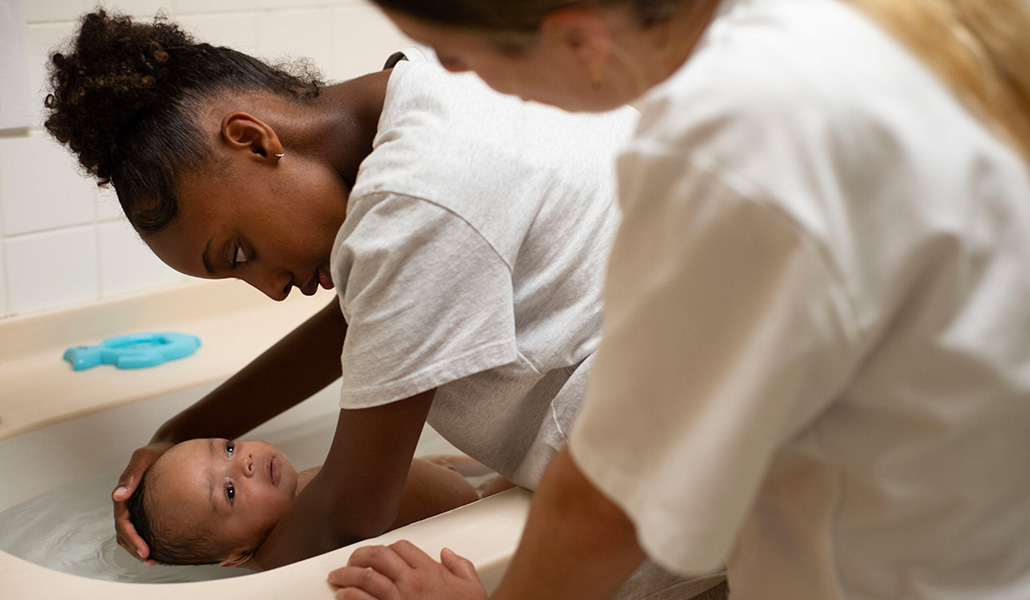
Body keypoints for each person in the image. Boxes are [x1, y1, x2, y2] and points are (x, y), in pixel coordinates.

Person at [326, 0, 1030, 599]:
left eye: (454, 53)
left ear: (578, 39)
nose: (449, 76)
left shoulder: (731, 141)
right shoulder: (836, 33)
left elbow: (609, 504)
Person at [44, 8, 679, 591]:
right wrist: (180, 432)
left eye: (238, 254)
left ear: (253, 139)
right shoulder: (438, 88)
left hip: (673, 495)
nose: (271, 289)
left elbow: (351, 513)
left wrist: (234, 573)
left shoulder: (419, 197)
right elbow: (368, 318)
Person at [126, 437, 508, 567]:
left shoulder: (285, 494)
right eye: (229, 492)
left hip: (434, 475)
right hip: (472, 505)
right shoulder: (296, 544)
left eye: (228, 448)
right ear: (238, 555)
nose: (244, 462)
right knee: (515, 481)